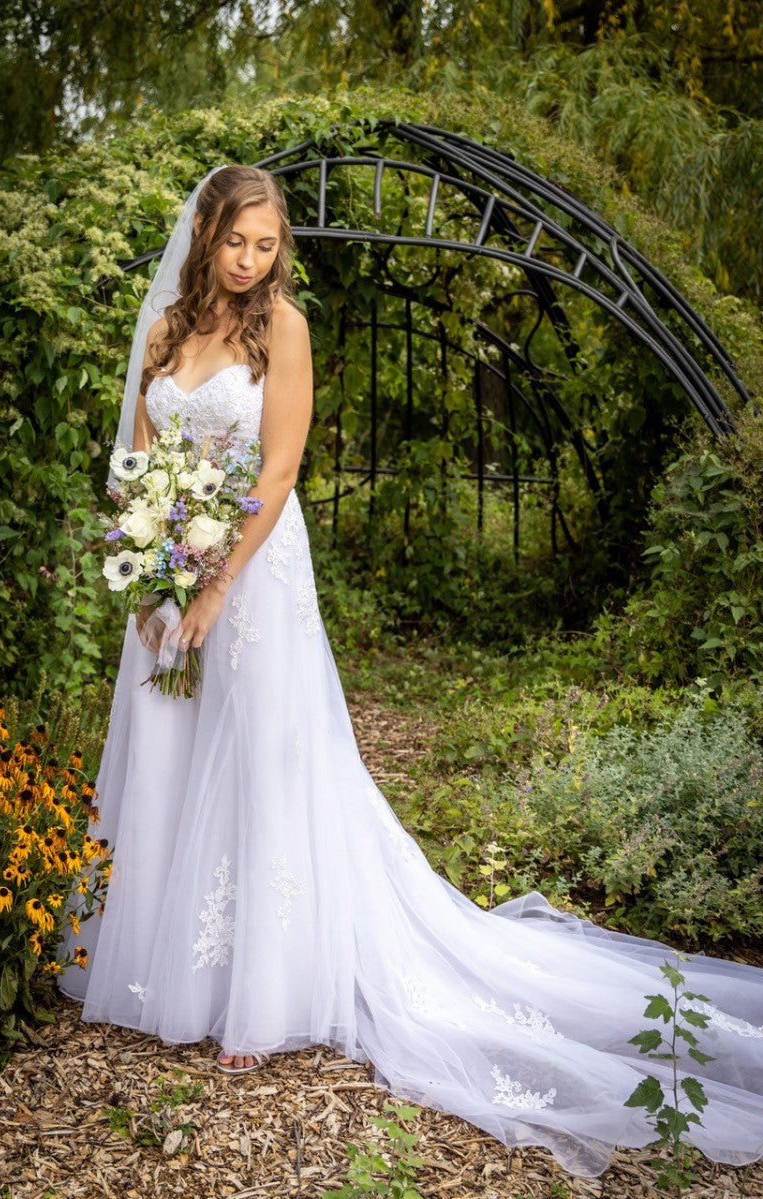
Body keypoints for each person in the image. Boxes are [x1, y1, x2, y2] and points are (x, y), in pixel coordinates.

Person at [57, 163, 763, 1179]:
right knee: (169, 753)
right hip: (172, 576)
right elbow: (136, 462)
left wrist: (213, 584)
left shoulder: (283, 330)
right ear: (207, 235)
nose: (251, 262)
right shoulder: (167, 333)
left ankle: (260, 993)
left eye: (267, 246)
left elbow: (280, 469)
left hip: (252, 579)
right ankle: (155, 976)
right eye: (236, 243)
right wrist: (152, 574)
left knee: (261, 768)